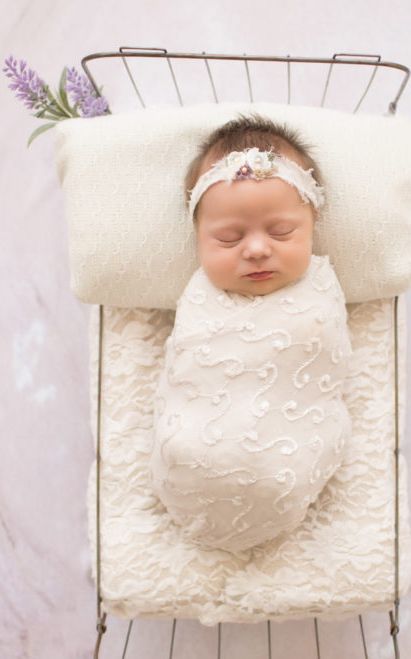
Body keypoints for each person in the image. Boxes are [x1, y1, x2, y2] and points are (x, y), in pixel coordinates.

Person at [149, 115, 353, 552]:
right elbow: (186, 365)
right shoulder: (199, 295)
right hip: (191, 459)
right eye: (227, 238)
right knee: (185, 443)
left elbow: (325, 362)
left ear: (312, 222)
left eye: (281, 231)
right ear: (198, 238)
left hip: (285, 466)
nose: (257, 249)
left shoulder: (319, 287)